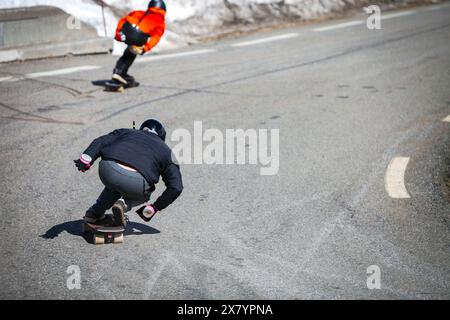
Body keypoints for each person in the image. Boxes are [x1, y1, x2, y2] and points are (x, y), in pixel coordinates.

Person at [74, 119, 183, 227]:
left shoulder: (127, 132)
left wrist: (87, 158)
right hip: (136, 183)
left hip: (108, 169)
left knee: (115, 186)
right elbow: (176, 187)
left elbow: (100, 141)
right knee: (142, 191)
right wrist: (155, 207)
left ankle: (94, 214)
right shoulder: (167, 152)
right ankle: (123, 204)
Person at [112, 0, 166, 85]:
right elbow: (155, 38)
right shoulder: (160, 22)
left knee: (128, 52)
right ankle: (120, 73)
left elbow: (123, 20)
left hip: (127, 30)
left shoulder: (138, 12)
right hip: (139, 37)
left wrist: (118, 34)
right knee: (131, 53)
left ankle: (119, 71)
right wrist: (145, 48)